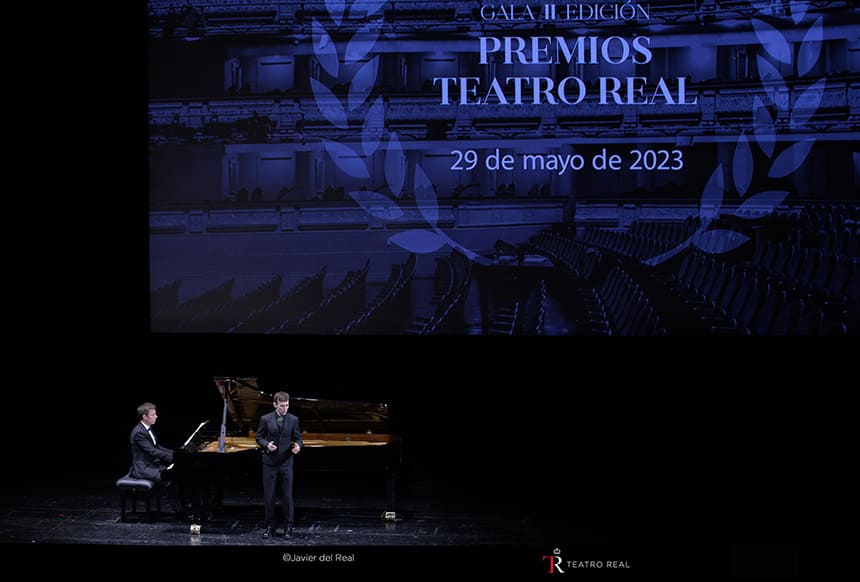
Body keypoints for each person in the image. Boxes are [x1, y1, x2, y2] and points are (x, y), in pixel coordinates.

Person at [255, 391, 303, 538]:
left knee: (287, 497)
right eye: (282, 406)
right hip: (270, 463)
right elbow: (258, 437)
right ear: (275, 404)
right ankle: (270, 527)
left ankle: (288, 527)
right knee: (269, 497)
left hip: (286, 463)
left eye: (287, 405)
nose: (285, 409)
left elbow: (298, 438)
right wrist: (266, 444)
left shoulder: (293, 419)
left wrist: (298, 446)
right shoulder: (265, 419)